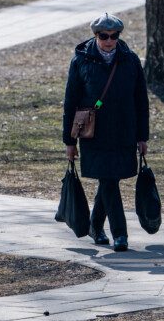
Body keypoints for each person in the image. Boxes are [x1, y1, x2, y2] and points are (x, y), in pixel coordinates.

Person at [62, 13, 149, 252]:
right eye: (104, 36)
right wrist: (69, 142)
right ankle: (120, 234)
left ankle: (95, 226)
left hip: (124, 132)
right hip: (94, 134)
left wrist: (142, 136)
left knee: (109, 178)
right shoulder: (81, 61)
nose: (109, 41)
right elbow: (70, 103)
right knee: (108, 179)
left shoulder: (130, 60)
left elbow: (141, 101)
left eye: (114, 36)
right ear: (95, 35)